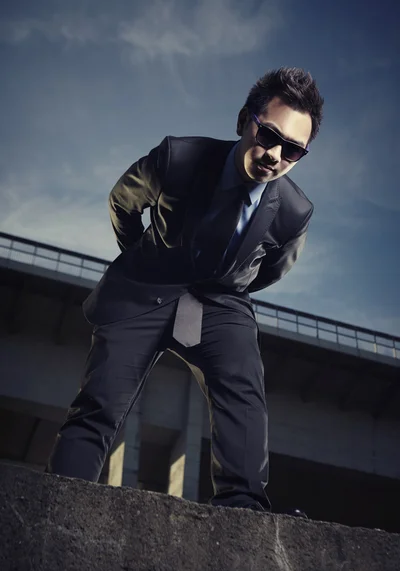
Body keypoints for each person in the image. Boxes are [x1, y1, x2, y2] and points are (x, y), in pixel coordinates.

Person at [45, 67, 324, 513]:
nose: (275, 154)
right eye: (269, 134)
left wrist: (227, 286)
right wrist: (143, 254)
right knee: (98, 404)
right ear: (243, 120)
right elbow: (123, 202)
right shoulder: (178, 158)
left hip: (221, 300)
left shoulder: (294, 212)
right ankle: (58, 501)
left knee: (243, 385)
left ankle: (242, 505)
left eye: (293, 150)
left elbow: (271, 269)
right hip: (146, 283)